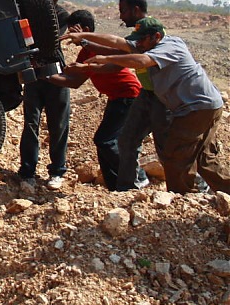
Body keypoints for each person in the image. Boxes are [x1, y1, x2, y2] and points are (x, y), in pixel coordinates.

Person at [63, 17, 228, 194]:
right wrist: (83, 36)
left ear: (156, 36)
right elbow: (116, 41)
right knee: (204, 158)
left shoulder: (169, 47)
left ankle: (183, 196)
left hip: (196, 107)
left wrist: (104, 58)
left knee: (175, 156)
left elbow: (141, 61)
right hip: (205, 105)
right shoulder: (147, 44)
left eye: (142, 39)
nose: (138, 43)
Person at [46, 10, 141, 190]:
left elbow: (104, 67)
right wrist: (45, 76)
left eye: (74, 30)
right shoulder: (85, 52)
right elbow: (74, 82)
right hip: (117, 97)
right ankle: (116, 186)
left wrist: (47, 76)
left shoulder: (97, 47)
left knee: (106, 141)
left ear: (85, 30)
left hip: (128, 95)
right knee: (103, 141)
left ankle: (136, 175)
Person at [18, 0, 70, 190]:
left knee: (58, 125)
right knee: (31, 124)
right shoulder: (27, 11)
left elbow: (53, 41)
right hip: (34, 75)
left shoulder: (61, 15)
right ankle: (27, 172)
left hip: (56, 75)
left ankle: (57, 172)